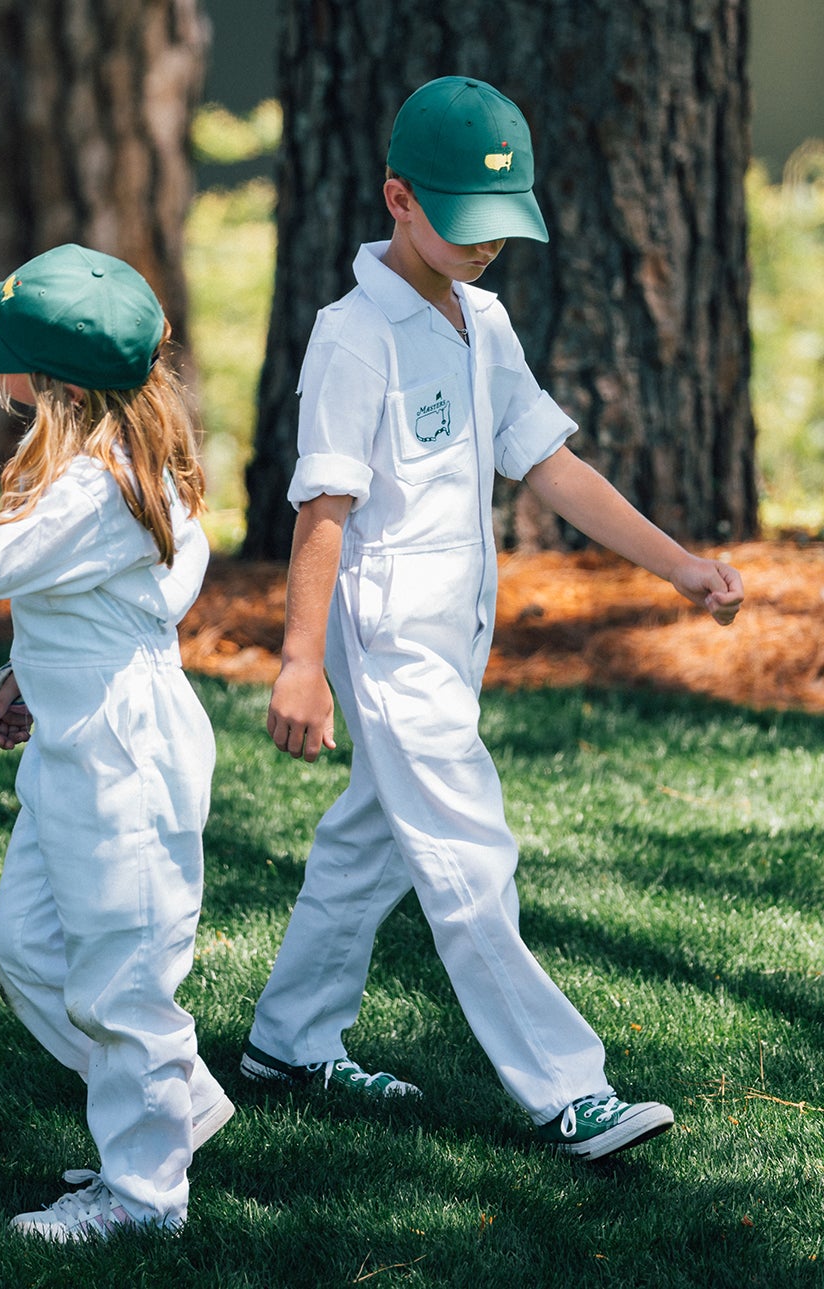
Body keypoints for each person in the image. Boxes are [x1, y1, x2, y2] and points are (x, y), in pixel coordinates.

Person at [241, 77, 745, 1160]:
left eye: (499, 229)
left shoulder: (486, 320)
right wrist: (298, 662)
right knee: (470, 851)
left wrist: (678, 565)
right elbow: (323, 509)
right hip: (381, 644)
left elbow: (550, 465)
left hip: (455, 639)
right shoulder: (350, 337)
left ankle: (286, 1041)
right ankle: (571, 1090)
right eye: (464, 229)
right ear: (397, 200)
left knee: (371, 839)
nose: (483, 250)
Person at [0, 243, 233, 1240]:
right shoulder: (91, 460)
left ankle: (145, 1197)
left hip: (128, 762)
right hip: (79, 743)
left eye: (4, 346)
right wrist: (24, 675)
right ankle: (174, 1102)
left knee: (126, 982)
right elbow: (92, 600)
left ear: (54, 378)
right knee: (27, 944)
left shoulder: (105, 481)